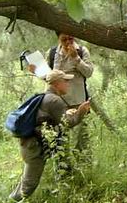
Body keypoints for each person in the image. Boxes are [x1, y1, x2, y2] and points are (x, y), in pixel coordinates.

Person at [0, 70, 91, 203]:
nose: (68, 83)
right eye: (65, 80)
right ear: (56, 83)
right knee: (27, 186)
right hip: (34, 149)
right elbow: (67, 123)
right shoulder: (54, 100)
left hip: (30, 145)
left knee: (27, 183)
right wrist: (81, 112)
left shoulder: (46, 97)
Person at [28, 32, 94, 160]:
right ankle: (64, 166)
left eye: (71, 38)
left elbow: (89, 72)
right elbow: (49, 77)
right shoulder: (52, 53)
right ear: (58, 39)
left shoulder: (82, 51)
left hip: (77, 102)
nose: (68, 42)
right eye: (64, 40)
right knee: (60, 139)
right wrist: (36, 71)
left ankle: (84, 165)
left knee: (81, 140)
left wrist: (76, 58)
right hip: (57, 103)